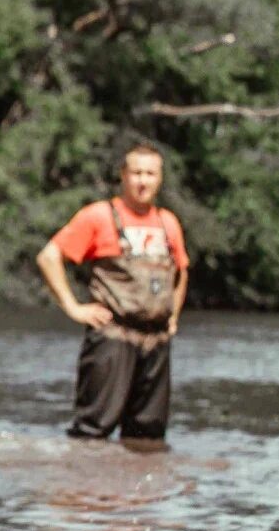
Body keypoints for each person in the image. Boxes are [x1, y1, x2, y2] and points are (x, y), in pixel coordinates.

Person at [34, 144, 188, 441]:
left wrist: (173, 318)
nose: (143, 181)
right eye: (136, 173)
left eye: (150, 174)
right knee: (93, 430)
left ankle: (143, 487)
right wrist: (74, 307)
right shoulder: (99, 216)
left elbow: (181, 271)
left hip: (155, 343)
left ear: (160, 178)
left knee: (149, 436)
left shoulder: (168, 222)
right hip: (112, 338)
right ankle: (86, 486)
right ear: (123, 176)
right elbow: (49, 257)